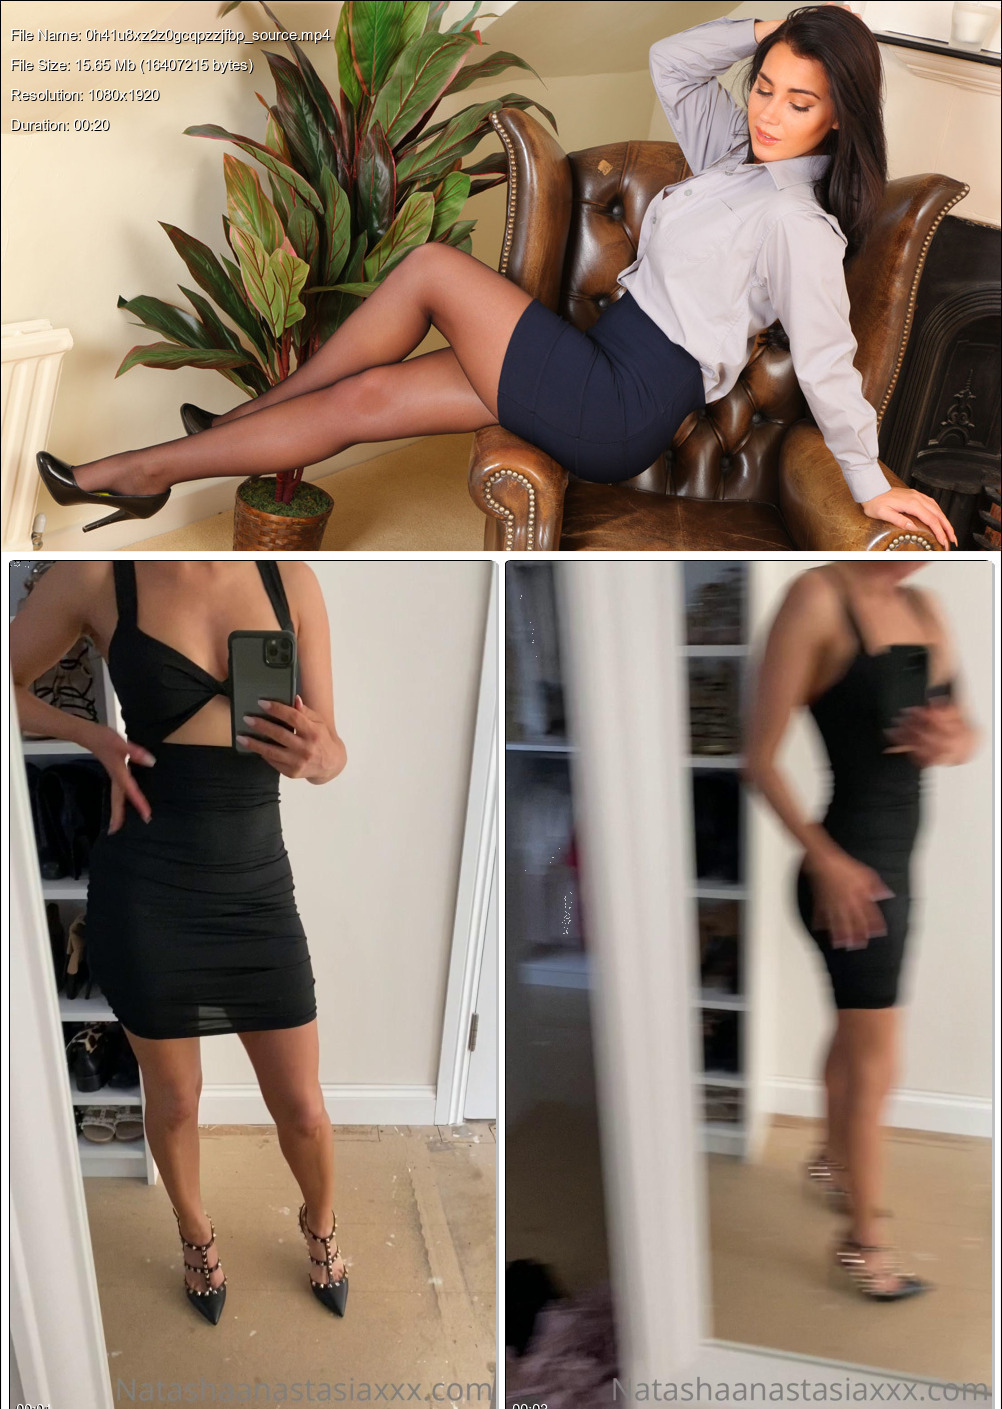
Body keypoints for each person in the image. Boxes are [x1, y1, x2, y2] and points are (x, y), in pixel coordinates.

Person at [35, 14, 952, 552]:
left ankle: (230, 424)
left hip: (624, 401)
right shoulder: (733, 159)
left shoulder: (798, 224)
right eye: (765, 86)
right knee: (367, 399)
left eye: (800, 101)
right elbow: (673, 61)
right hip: (600, 360)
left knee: (432, 268)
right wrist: (768, 29)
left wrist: (868, 480)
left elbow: (829, 361)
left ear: (840, 116)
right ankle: (144, 473)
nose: (769, 113)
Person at [12, 558, 348, 1320]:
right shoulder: (97, 574)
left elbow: (333, 751)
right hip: (150, 888)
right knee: (172, 1103)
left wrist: (322, 756)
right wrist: (93, 736)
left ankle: (321, 1223)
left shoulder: (289, 578)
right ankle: (196, 1236)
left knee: (303, 1108)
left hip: (257, 890)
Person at [744, 561, 980, 1301]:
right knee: (878, 1064)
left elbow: (966, 732)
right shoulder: (817, 598)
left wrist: (952, 740)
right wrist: (827, 861)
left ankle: (828, 1158)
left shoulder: (926, 607)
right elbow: (757, 759)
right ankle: (864, 1242)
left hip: (894, 869)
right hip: (851, 877)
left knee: (856, 1038)